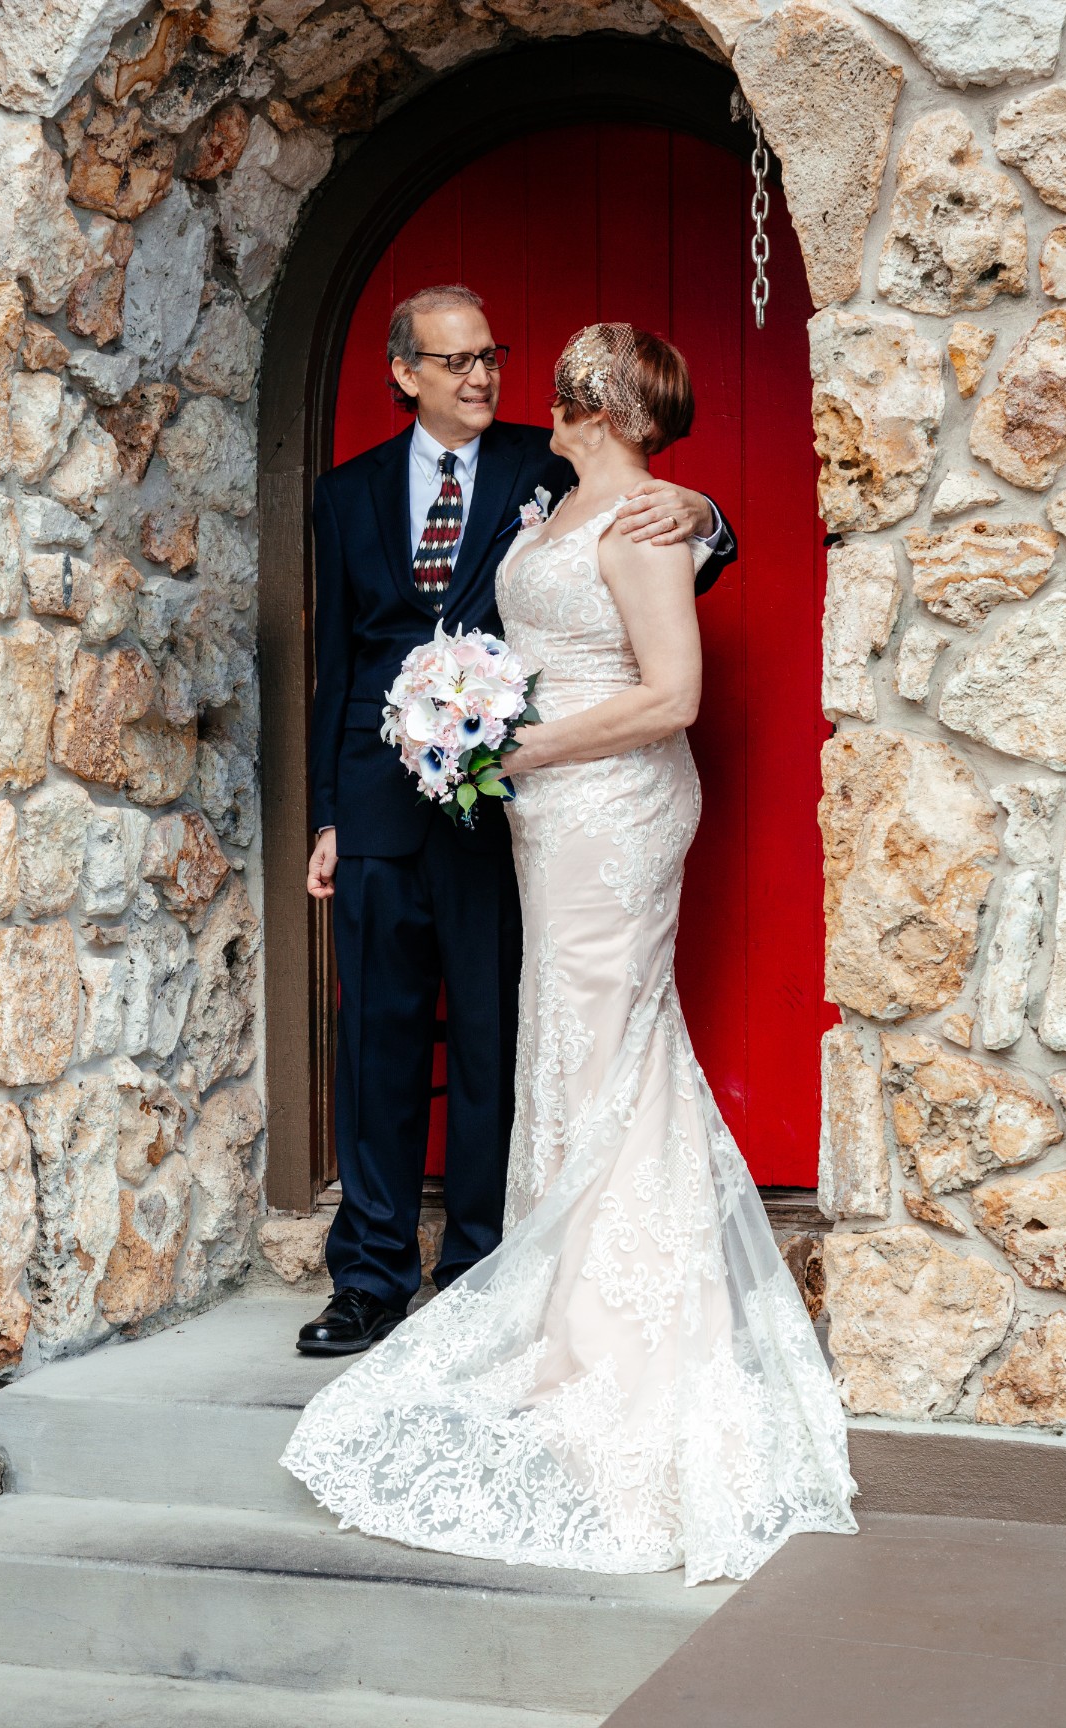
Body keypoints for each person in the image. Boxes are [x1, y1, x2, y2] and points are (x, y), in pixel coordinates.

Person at [283, 323, 856, 1586]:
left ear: (588, 401)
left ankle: (614, 1332)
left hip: (605, 810)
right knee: (566, 1043)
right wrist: (444, 748)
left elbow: (674, 691)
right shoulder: (544, 503)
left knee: (601, 1040)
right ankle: (549, 1309)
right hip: (535, 818)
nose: (509, 381)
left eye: (539, 374)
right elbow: (384, 650)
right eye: (470, 359)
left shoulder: (648, 520)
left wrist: (511, 750)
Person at [298, 286, 737, 1355]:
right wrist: (328, 814)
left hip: (514, 809)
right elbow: (338, 666)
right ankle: (367, 1275)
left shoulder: (547, 470)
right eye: (454, 362)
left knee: (509, 1031)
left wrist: (709, 515)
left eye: (491, 355)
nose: (481, 376)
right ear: (404, 373)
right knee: (379, 1040)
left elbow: (658, 527)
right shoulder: (346, 493)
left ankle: (489, 1265)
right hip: (381, 801)